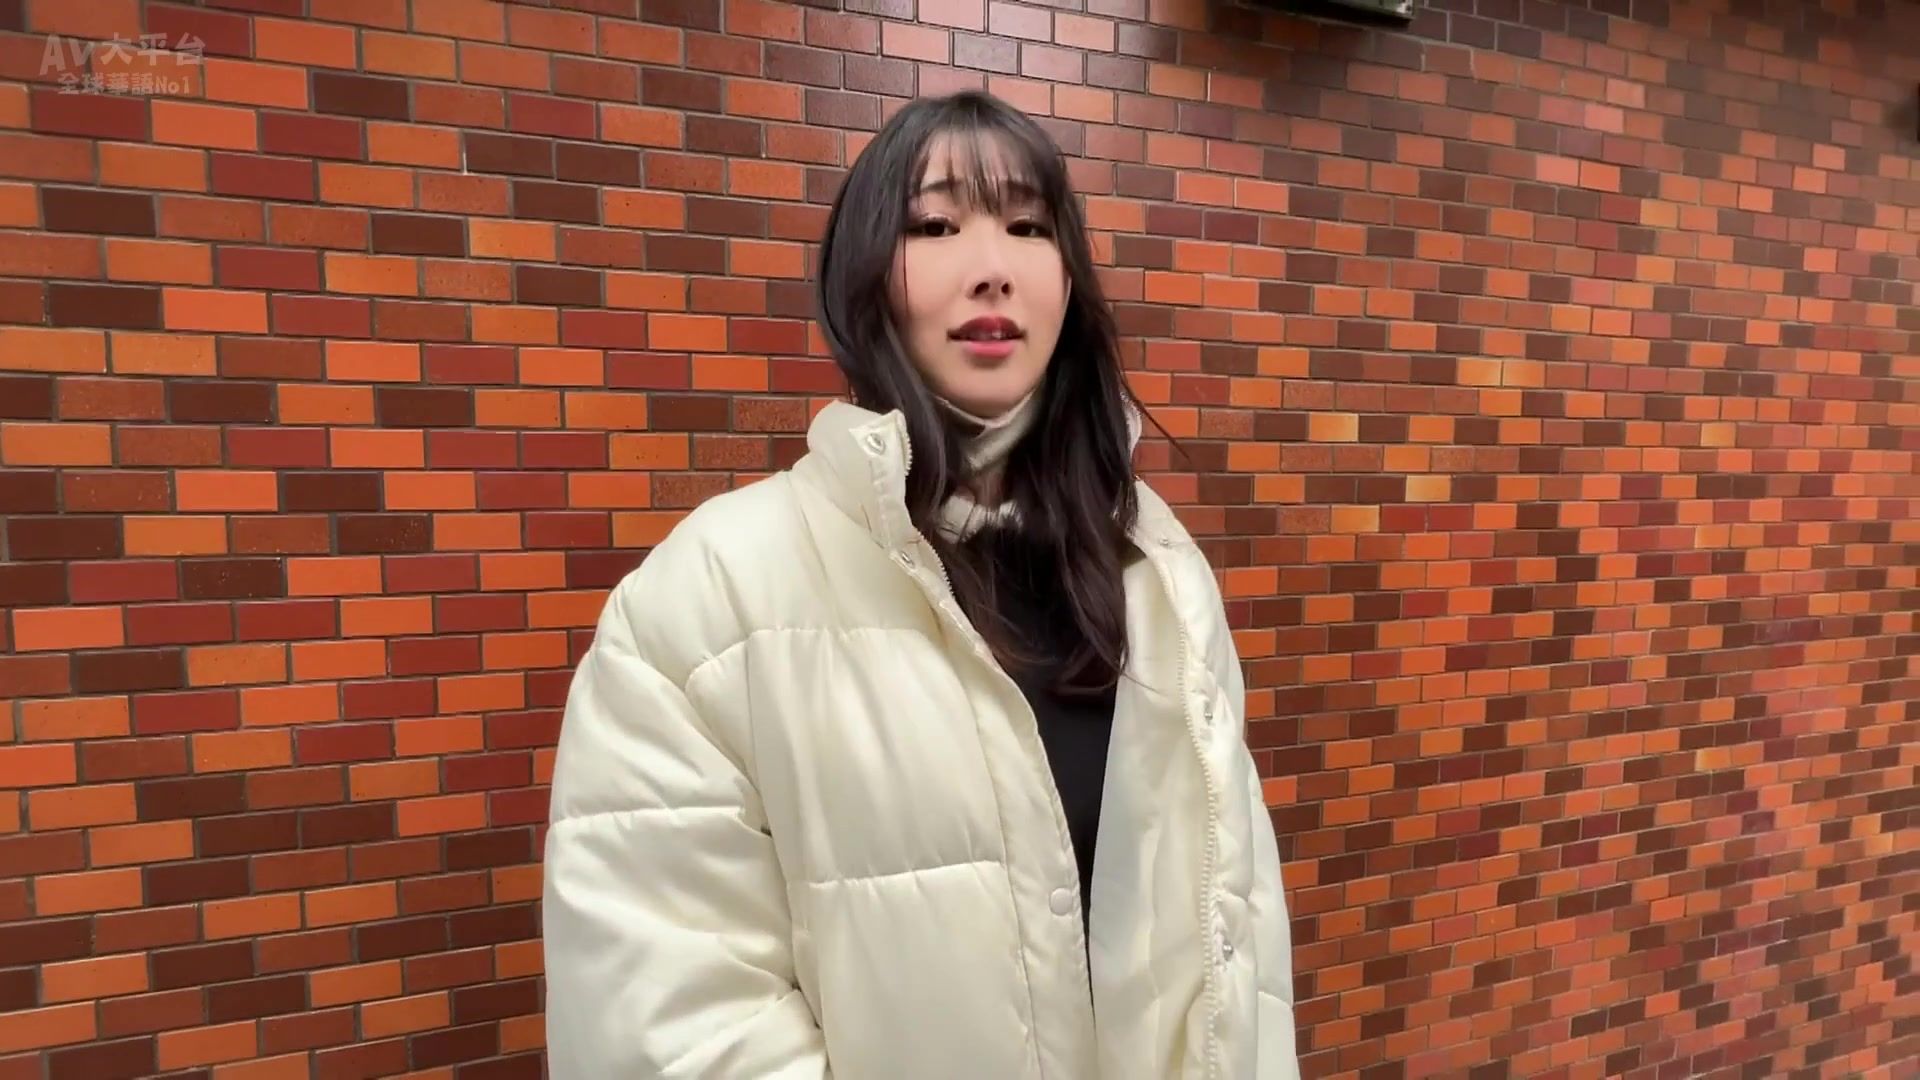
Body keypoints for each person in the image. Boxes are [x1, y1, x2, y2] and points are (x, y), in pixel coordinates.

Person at [541, 90, 1301, 1079]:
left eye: (1028, 226)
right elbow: (669, 1025)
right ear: (863, 277)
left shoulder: (1161, 577)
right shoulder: (709, 597)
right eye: (935, 226)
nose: (992, 267)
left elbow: (1238, 947)